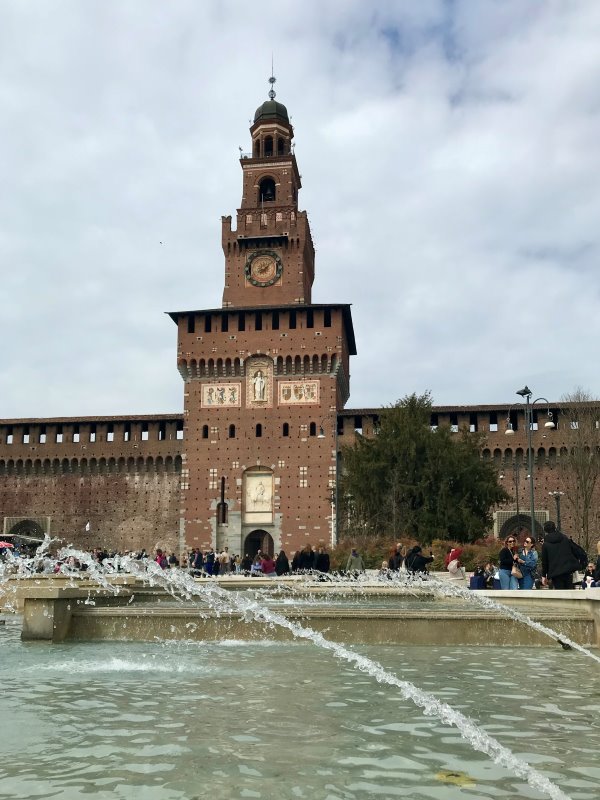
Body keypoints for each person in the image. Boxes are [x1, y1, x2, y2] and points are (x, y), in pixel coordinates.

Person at [541, 521, 581, 590]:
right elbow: (573, 550)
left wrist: (544, 575)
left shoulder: (546, 544)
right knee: (570, 592)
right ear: (555, 528)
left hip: (555, 573)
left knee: (560, 593)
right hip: (568, 570)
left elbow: (545, 561)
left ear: (545, 530)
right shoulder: (565, 539)